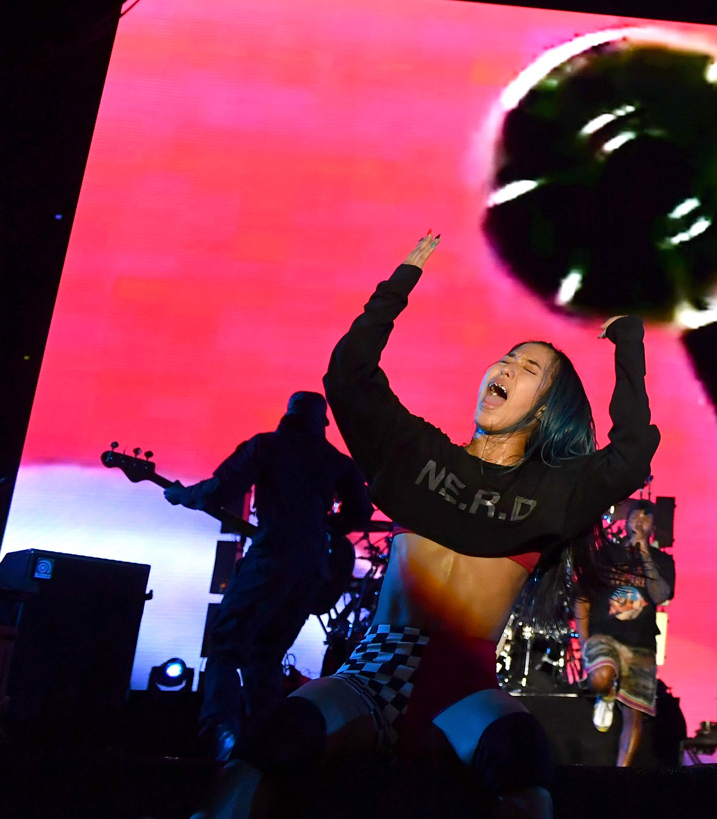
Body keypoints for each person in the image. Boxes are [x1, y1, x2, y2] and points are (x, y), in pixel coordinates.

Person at [189, 234, 659, 819]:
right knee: (264, 749)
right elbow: (349, 375)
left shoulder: (552, 492)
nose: (506, 366)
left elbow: (631, 454)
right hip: (369, 675)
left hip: (465, 689)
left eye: (528, 367)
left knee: (523, 766)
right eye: (506, 357)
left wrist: (627, 343)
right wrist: (398, 286)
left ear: (544, 409)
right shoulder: (418, 456)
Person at [164, 389, 372, 760]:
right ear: (322, 422)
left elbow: (220, 489)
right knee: (266, 656)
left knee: (226, 647)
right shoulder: (336, 461)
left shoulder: (266, 446)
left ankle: (221, 732)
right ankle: (267, 748)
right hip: (311, 571)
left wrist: (183, 495)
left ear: (289, 414)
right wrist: (325, 528)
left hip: (270, 558)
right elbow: (361, 511)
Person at [578, 501, 675, 767]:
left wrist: (644, 552)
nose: (640, 521)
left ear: (653, 527)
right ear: (626, 521)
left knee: (635, 714)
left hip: (641, 644)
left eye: (646, 518)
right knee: (600, 678)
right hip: (605, 636)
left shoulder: (663, 561)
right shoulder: (606, 555)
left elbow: (660, 595)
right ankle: (607, 694)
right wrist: (584, 640)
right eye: (635, 516)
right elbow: (582, 597)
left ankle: (621, 774)